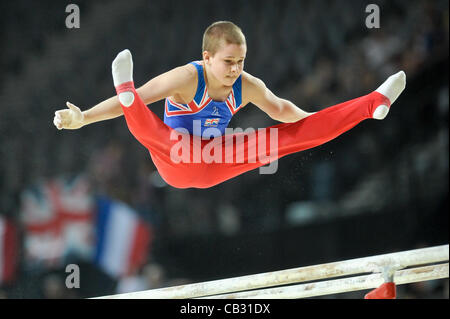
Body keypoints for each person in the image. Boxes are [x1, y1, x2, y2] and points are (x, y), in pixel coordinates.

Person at [53, 21, 406, 189]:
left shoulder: (246, 84)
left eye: (241, 61)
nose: (236, 70)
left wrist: (321, 125)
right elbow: (141, 102)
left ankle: (373, 103)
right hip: (174, 161)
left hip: (215, 160)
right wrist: (82, 117)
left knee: (283, 138)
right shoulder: (186, 78)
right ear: (206, 58)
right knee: (152, 129)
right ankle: (126, 90)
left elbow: (284, 111)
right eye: (228, 62)